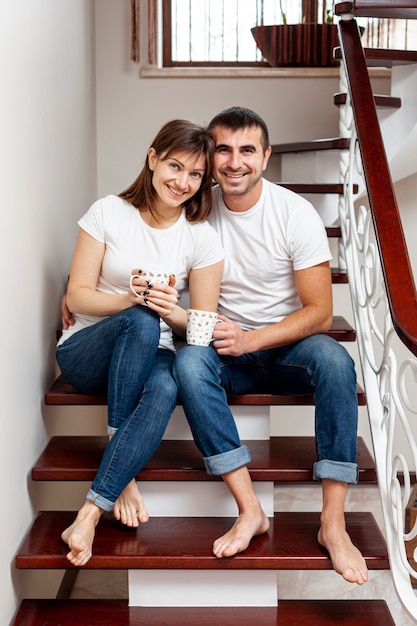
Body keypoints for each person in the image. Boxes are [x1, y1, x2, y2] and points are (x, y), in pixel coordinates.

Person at [172, 106, 368, 585]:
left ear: (266, 156)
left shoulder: (294, 212)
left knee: (337, 361)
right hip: (222, 349)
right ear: (210, 155)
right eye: (223, 149)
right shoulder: (194, 208)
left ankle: (333, 523)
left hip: (284, 349)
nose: (234, 162)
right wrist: (83, 290)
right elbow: (134, 236)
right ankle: (250, 509)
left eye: (247, 150)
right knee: (189, 365)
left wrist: (252, 338)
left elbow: (319, 312)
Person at [56, 119, 224, 567]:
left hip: (155, 351)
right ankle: (123, 471)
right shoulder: (107, 212)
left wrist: (170, 309)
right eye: (174, 166)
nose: (182, 182)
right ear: (152, 158)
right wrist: (134, 299)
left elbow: (201, 328)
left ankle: (89, 514)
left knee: (166, 384)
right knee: (141, 321)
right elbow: (76, 295)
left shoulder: (202, 238)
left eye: (195, 175)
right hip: (86, 349)